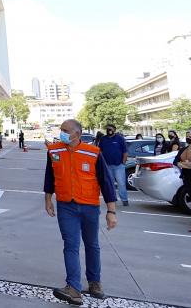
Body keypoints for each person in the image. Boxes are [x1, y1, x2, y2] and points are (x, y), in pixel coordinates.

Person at [44, 119, 118, 304]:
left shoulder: (93, 152)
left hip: (89, 206)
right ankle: (73, 288)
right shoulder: (54, 150)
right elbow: (50, 177)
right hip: (66, 206)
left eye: (65, 130)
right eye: (61, 130)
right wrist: (48, 200)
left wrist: (111, 211)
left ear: (77, 134)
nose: (62, 133)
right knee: (70, 245)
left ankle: (95, 282)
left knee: (92, 244)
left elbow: (106, 183)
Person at [97, 124, 129, 206]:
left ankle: (124, 199)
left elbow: (125, 152)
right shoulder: (103, 139)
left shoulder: (120, 139)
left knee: (121, 183)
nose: (109, 130)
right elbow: (100, 151)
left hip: (119, 166)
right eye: (107, 129)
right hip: (107, 166)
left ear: (114, 130)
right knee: (110, 184)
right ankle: (112, 200)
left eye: (110, 129)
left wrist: (123, 163)